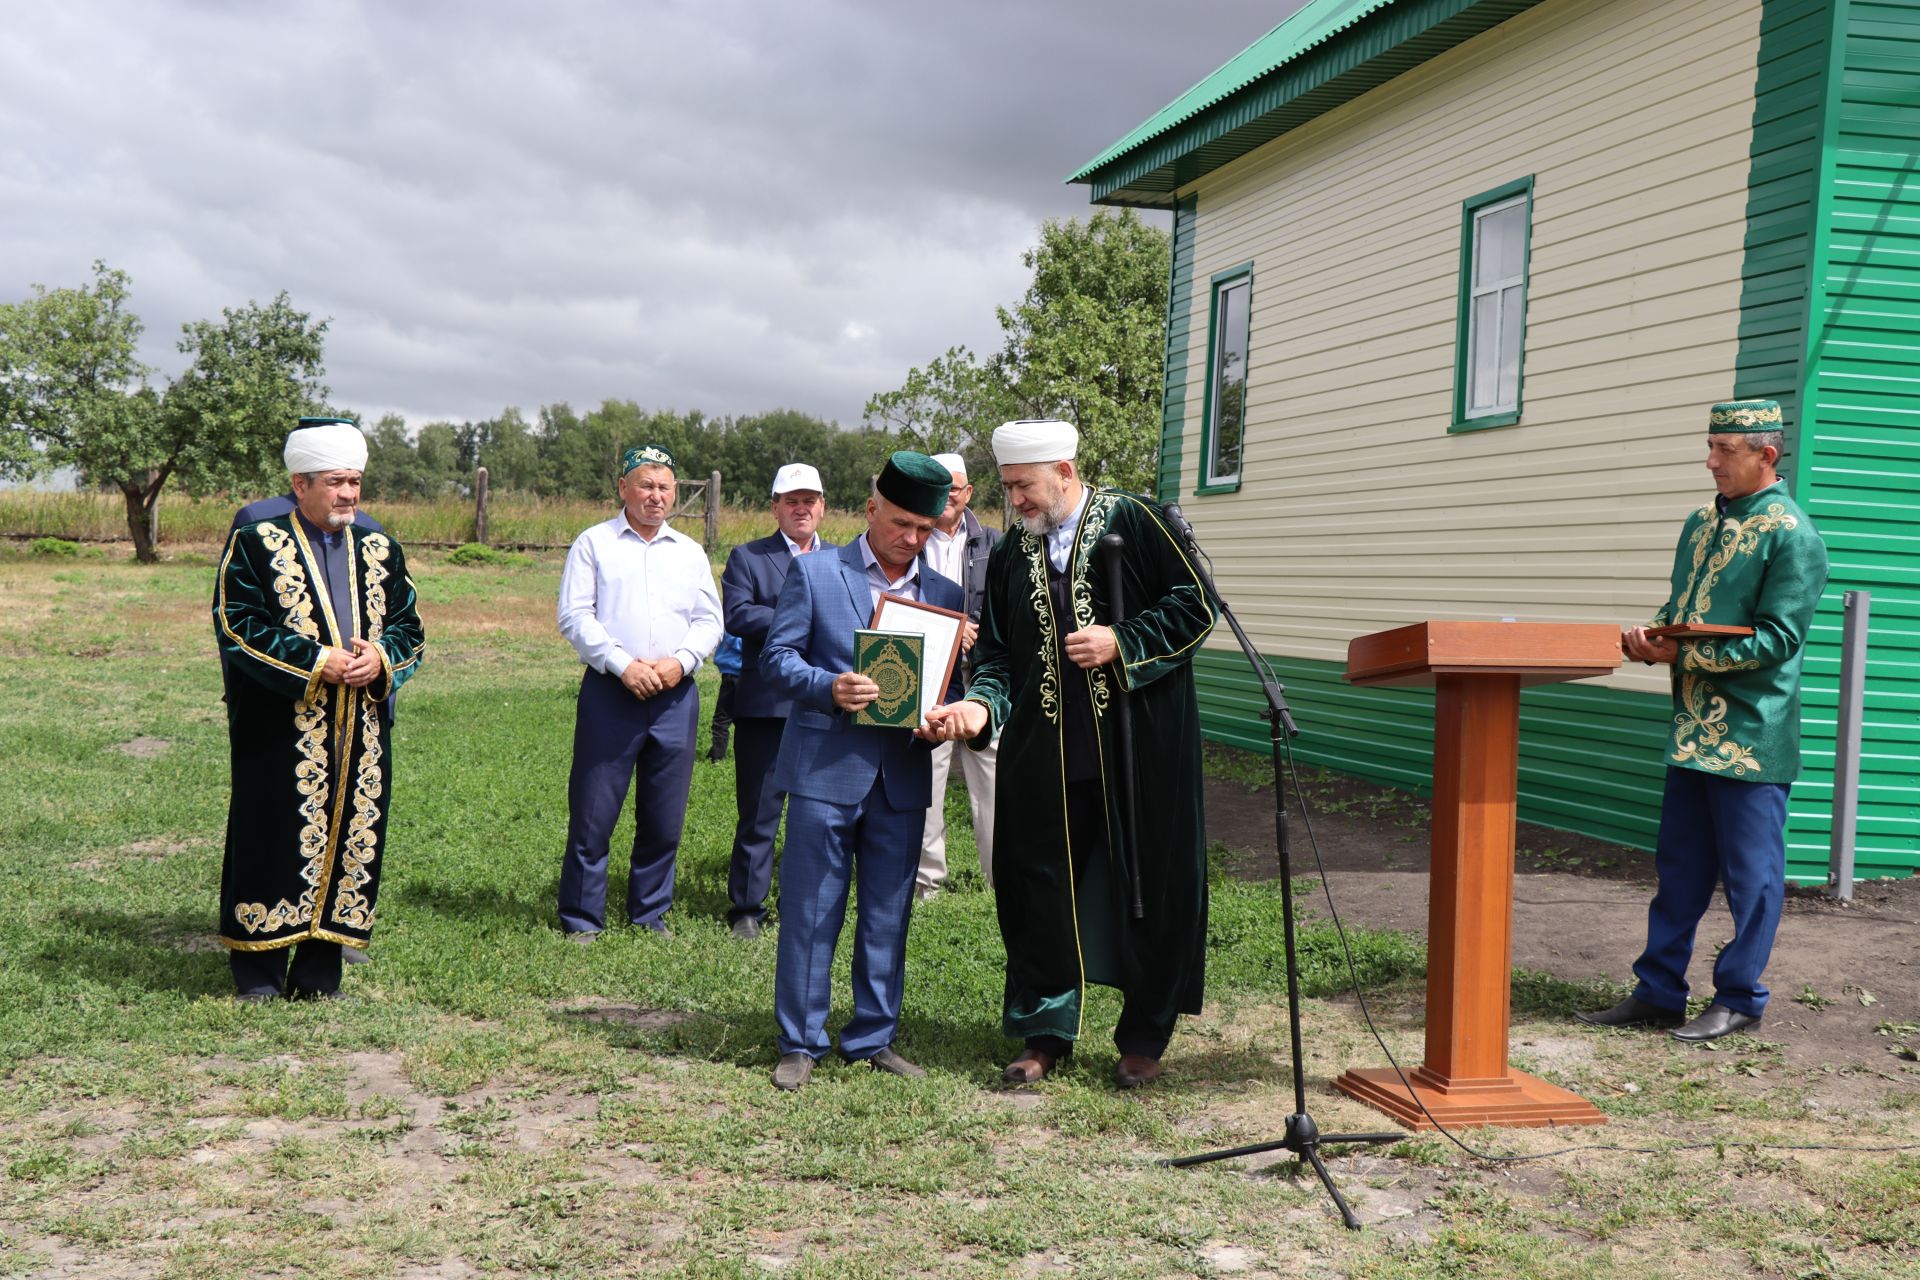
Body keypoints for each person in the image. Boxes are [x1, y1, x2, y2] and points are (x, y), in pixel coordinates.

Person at [923, 420, 1217, 1089]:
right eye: (1007, 488)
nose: (1016, 500)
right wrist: (980, 707)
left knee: (1150, 888)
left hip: (1139, 751)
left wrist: (1123, 639)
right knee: (1038, 891)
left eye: (1024, 486)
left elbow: (1196, 604)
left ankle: (1144, 1034)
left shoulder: (1135, 521)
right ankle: (1045, 1033)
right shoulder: (1010, 555)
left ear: (1063, 470)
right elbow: (996, 656)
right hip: (1045, 757)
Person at [1579, 399, 1829, 1044]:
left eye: (1726, 449)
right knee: (1679, 871)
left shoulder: (1793, 535)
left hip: (1752, 735)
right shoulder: (1699, 522)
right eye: (1711, 446)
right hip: (1691, 730)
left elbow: (1778, 640)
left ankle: (1741, 997)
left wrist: (1682, 651)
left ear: (1766, 455)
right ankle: (1659, 993)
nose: (1711, 460)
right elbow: (1682, 608)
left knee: (1753, 879)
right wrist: (1650, 636)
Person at [759, 452, 964, 1089]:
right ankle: (800, 1041)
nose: (911, 539)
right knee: (812, 910)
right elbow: (775, 658)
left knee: (887, 913)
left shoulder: (946, 596)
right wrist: (828, 686)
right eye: (901, 523)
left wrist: (945, 713)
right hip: (826, 768)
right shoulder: (817, 572)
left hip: (901, 775)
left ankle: (873, 1035)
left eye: (925, 530)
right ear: (871, 508)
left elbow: (950, 685)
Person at [213, 419, 426, 1001]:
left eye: (355, 481)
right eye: (336, 482)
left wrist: (382, 659)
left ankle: (318, 974)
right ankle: (258, 970)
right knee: (272, 833)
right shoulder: (258, 540)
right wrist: (316, 661)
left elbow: (410, 625)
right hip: (280, 724)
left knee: (352, 837)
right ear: (299, 482)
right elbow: (238, 623)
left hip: (362, 726)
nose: (349, 495)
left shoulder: (379, 546)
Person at [556, 444, 722, 942]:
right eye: (645, 485)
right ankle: (583, 919)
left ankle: (650, 914)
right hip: (613, 691)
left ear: (675, 494)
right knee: (594, 810)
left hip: (675, 696)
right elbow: (575, 615)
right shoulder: (595, 543)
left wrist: (682, 662)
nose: (655, 495)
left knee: (664, 813)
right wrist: (623, 664)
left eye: (664, 487)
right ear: (623, 488)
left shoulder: (690, 552)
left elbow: (709, 619)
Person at [719, 463, 833, 939]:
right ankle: (747, 907)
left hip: (823, 704)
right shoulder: (748, 557)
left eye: (809, 500)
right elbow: (739, 615)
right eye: (791, 500)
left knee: (815, 814)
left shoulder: (843, 559)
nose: (801, 508)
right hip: (766, 707)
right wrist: (801, 614)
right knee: (760, 811)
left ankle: (801, 902)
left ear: (822, 507)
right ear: (775, 507)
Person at [915, 452, 1001, 900]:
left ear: (968, 493)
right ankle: (928, 882)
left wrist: (976, 626)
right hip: (929, 680)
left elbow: (1009, 610)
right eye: (940, 487)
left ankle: (997, 882)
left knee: (993, 784)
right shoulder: (912, 536)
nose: (947, 495)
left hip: (982, 680)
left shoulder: (993, 543)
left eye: (956, 488)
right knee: (927, 780)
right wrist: (950, 625)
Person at [708, 633, 743, 762]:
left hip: (733, 673)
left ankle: (716, 757)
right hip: (741, 674)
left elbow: (738, 642)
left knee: (721, 720)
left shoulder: (737, 623)